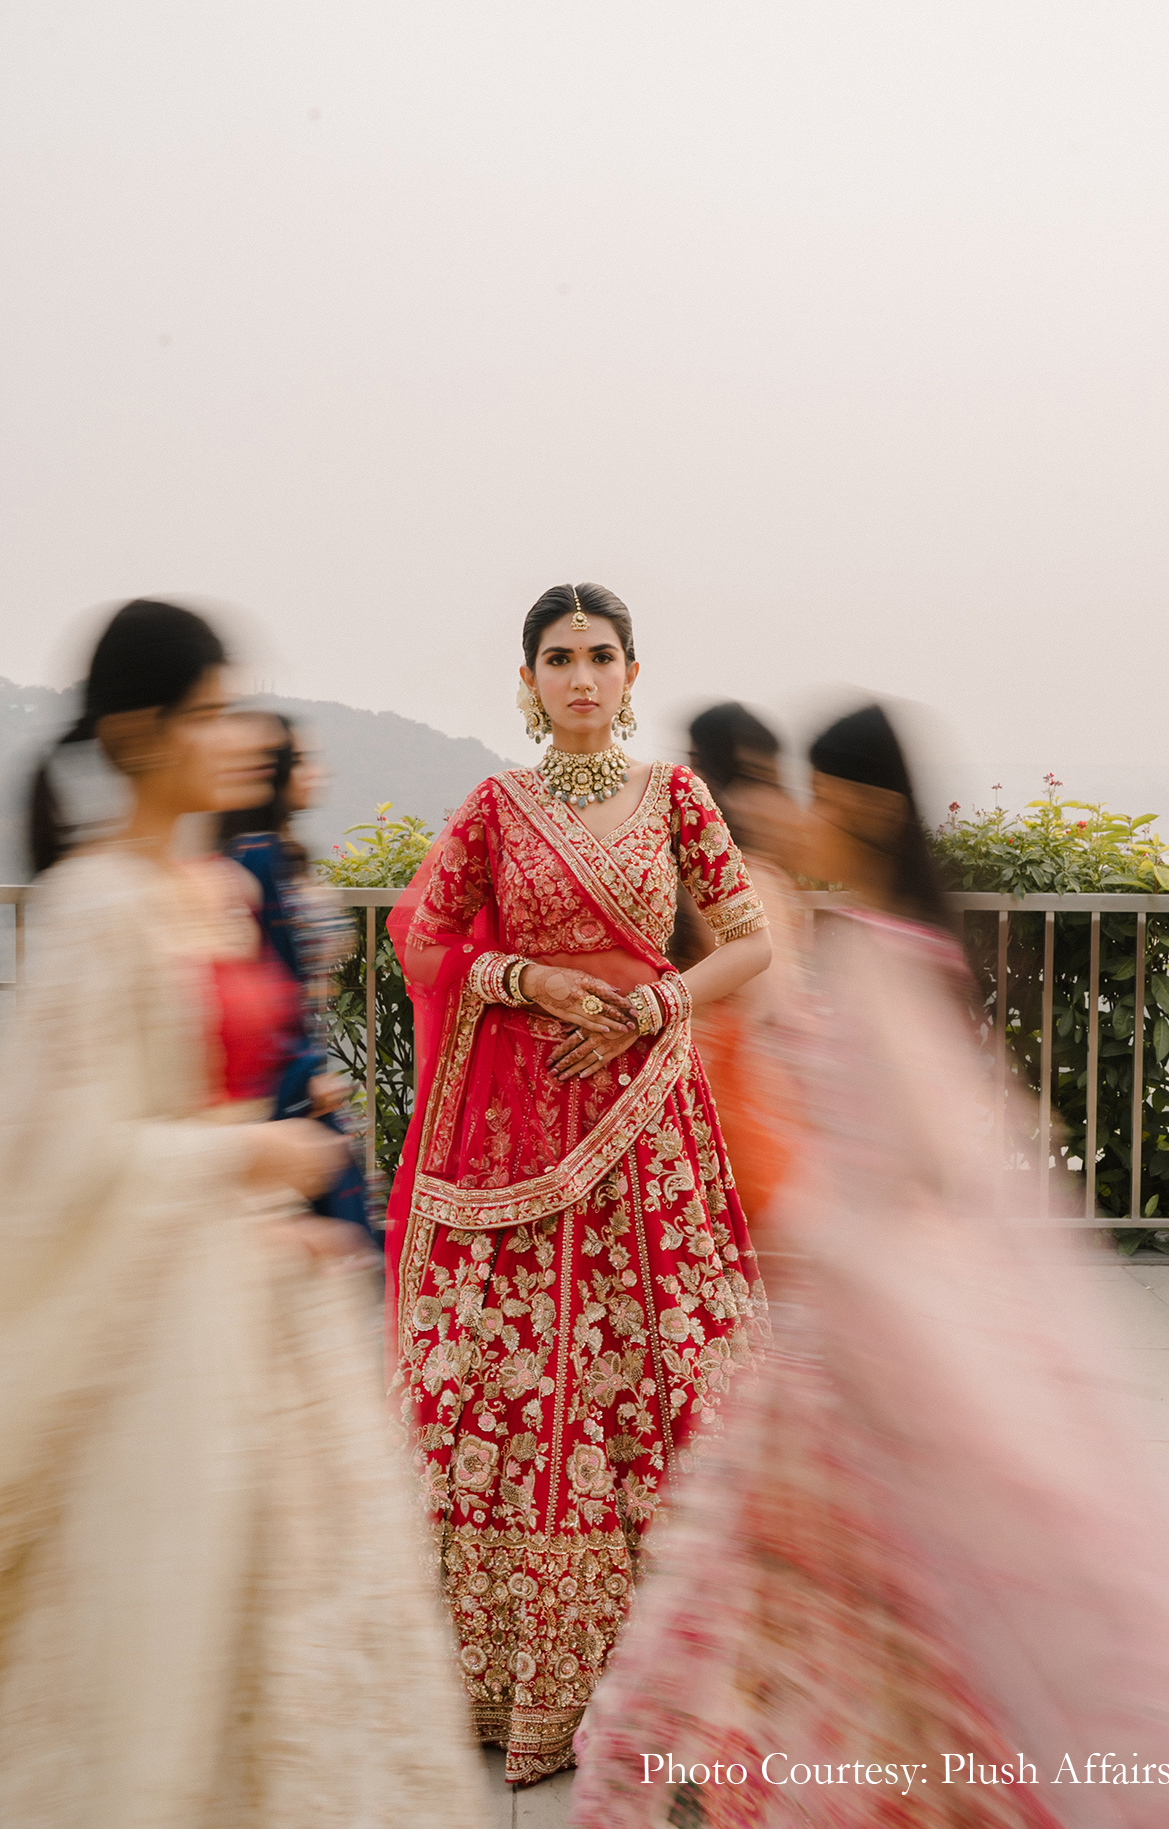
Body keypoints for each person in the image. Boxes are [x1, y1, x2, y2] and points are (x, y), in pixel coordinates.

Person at [571, 703, 1169, 1828]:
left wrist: (820, 1212)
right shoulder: (908, 941)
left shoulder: (870, 954)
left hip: (858, 1331)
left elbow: (913, 1153)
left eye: (815, 798)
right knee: (823, 1599)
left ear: (860, 808)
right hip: (862, 1312)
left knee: (811, 1591)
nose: (794, 818)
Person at [0, 600, 487, 1828]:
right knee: (175, 1641)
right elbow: (58, 1150)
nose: (236, 735)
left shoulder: (209, 884)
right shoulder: (91, 906)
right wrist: (249, 1159)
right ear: (137, 729)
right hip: (165, 1326)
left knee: (315, 1631)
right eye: (210, 710)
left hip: (266, 1299)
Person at [384, 583, 772, 1784]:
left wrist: (656, 1002)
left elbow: (746, 939)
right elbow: (420, 932)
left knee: (653, 1367)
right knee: (518, 1376)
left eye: (601, 656)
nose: (582, 678)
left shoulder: (675, 797)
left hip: (647, 1121)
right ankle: (507, 1678)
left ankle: (675, 1675)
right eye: (559, 658)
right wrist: (519, 981)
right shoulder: (496, 807)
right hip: (515, 1126)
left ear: (633, 671)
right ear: (529, 677)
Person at [220, 716, 373, 1243]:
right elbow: (259, 981)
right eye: (304, 760)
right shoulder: (254, 860)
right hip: (290, 1077)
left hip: (311, 1067)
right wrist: (302, 1077)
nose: (318, 772)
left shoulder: (284, 855)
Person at [677, 703, 805, 1236]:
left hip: (698, 1108)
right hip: (732, 1108)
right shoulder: (749, 876)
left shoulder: (692, 872)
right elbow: (778, 1006)